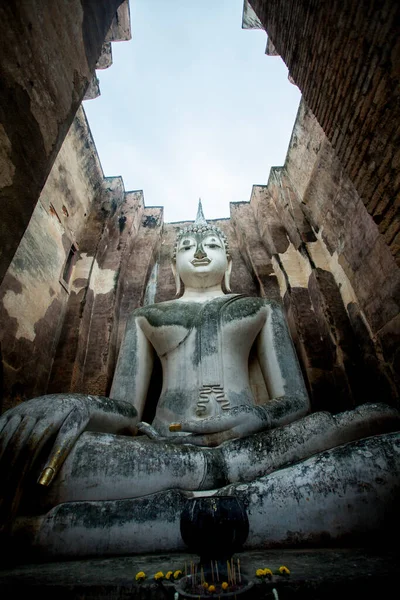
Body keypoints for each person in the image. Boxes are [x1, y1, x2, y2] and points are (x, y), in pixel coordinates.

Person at [1, 203, 399, 558]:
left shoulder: (260, 309)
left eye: (210, 244)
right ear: (174, 265)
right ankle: (246, 511)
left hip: (255, 449)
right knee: (35, 453)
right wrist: (79, 405)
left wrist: (256, 419)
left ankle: (120, 526)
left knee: (384, 435)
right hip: (168, 453)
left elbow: (295, 400)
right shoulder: (147, 316)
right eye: (189, 247)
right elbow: (126, 411)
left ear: (227, 257)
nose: (200, 251)